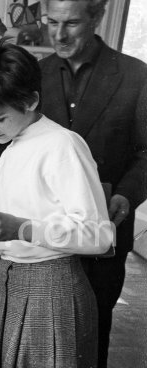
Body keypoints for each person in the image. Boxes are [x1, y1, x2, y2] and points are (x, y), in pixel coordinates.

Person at [0, 40, 113, 367]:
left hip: (52, 288)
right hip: (13, 279)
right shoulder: (15, 143)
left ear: (31, 101)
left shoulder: (62, 145)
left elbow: (99, 237)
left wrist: (21, 228)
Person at [39, 1, 147, 366]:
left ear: (97, 19)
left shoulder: (137, 75)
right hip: (42, 228)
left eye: (71, 24)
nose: (58, 34)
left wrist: (126, 195)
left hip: (106, 225)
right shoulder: (32, 73)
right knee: (40, 333)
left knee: (93, 330)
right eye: (51, 22)